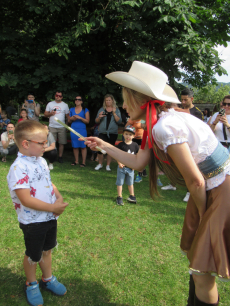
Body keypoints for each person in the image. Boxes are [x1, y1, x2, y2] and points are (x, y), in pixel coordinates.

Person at [85, 61, 228, 306]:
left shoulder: (165, 127)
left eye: (125, 99)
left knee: (203, 272)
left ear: (140, 100)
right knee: (197, 263)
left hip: (220, 190)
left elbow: (194, 180)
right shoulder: (161, 123)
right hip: (211, 189)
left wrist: (204, 215)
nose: (122, 105)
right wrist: (105, 145)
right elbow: (140, 162)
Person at [7, 120, 68, 306]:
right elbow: (26, 199)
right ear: (26, 144)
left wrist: (58, 196)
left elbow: (49, 182)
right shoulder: (18, 168)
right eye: (41, 143)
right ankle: (31, 283)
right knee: (33, 254)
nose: (46, 146)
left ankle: (47, 278)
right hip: (33, 222)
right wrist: (52, 208)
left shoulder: (41, 161)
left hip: (49, 217)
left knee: (47, 250)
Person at [162, 88, 204, 202]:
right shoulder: (179, 110)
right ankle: (173, 184)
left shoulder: (197, 113)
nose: (183, 102)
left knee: (191, 168)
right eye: (182, 100)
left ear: (192, 99)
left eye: (186, 100)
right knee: (175, 164)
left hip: (192, 144)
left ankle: (189, 192)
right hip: (180, 142)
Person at [95, 94, 122, 171]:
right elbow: (96, 121)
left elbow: (119, 121)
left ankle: (108, 165)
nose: (108, 101)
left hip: (112, 133)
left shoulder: (116, 109)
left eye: (109, 100)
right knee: (100, 148)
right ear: (105, 101)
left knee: (109, 149)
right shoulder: (101, 109)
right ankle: (100, 164)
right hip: (103, 132)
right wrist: (99, 117)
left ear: (112, 100)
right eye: (106, 100)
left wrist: (114, 113)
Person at [116, 125, 139, 205]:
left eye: (130, 134)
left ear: (133, 136)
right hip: (121, 168)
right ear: (123, 134)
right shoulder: (120, 145)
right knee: (120, 183)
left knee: (130, 183)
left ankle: (132, 196)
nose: (128, 136)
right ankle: (119, 197)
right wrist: (119, 163)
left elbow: (137, 156)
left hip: (131, 168)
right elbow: (117, 155)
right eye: (126, 134)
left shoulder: (135, 145)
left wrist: (134, 166)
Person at [44, 91, 69, 163]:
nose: (58, 97)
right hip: (52, 126)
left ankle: (60, 157)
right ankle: (53, 156)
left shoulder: (65, 105)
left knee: (62, 143)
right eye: (57, 95)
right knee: (52, 142)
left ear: (62, 97)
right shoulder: (50, 104)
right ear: (55, 96)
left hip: (62, 126)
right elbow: (45, 114)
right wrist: (50, 113)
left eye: (60, 96)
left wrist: (66, 125)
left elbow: (68, 116)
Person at [68, 96, 90, 167]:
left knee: (83, 146)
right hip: (73, 129)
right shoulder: (71, 109)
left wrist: (80, 117)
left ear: (82, 101)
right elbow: (69, 120)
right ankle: (76, 161)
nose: (77, 100)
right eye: (76, 99)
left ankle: (83, 162)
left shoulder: (85, 110)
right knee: (75, 146)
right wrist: (72, 119)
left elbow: (87, 121)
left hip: (82, 130)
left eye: (79, 99)